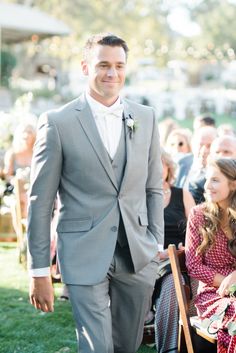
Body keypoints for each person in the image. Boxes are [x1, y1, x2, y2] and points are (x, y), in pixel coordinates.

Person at [27, 33, 164, 353]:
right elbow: (40, 201)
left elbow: (153, 187)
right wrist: (39, 270)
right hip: (82, 251)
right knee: (97, 346)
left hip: (137, 255)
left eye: (119, 66)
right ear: (85, 67)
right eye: (103, 65)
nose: (111, 73)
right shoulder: (57, 122)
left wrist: (154, 242)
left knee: (126, 346)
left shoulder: (145, 117)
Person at [185, 157, 236, 353]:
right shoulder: (198, 215)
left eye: (215, 180)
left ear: (232, 184)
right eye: (207, 179)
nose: (207, 185)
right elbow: (193, 266)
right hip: (212, 295)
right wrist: (229, 282)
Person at [153, 149, 195, 353]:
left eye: (159, 163)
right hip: (146, 258)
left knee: (172, 282)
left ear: (168, 167)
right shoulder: (136, 196)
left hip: (178, 258)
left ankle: (169, 347)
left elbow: (199, 229)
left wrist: (189, 246)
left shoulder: (182, 195)